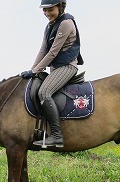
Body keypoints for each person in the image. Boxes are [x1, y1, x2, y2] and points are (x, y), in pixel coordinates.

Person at [21, 0, 84, 148]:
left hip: (67, 66)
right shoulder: (49, 26)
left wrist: (36, 70)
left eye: (51, 9)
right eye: (45, 10)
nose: (47, 13)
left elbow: (53, 52)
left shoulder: (66, 23)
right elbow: (42, 50)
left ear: (60, 6)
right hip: (55, 68)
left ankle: (57, 136)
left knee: (44, 92)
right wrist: (33, 69)